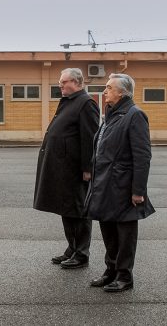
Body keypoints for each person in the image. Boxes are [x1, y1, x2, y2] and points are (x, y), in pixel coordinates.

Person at [84, 73, 154, 292]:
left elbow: (142, 156)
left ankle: (124, 276)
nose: (104, 91)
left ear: (122, 92)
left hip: (123, 187)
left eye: (109, 87)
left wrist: (138, 191)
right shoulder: (112, 114)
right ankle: (111, 270)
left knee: (124, 234)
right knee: (108, 230)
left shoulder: (135, 115)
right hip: (105, 184)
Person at [33, 68, 99, 270]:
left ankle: (81, 254)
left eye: (64, 82)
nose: (60, 85)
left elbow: (90, 138)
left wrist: (87, 168)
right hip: (63, 168)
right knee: (66, 209)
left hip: (75, 169)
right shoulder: (70, 101)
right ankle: (72, 248)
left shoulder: (86, 104)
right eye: (60, 82)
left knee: (78, 210)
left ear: (77, 82)